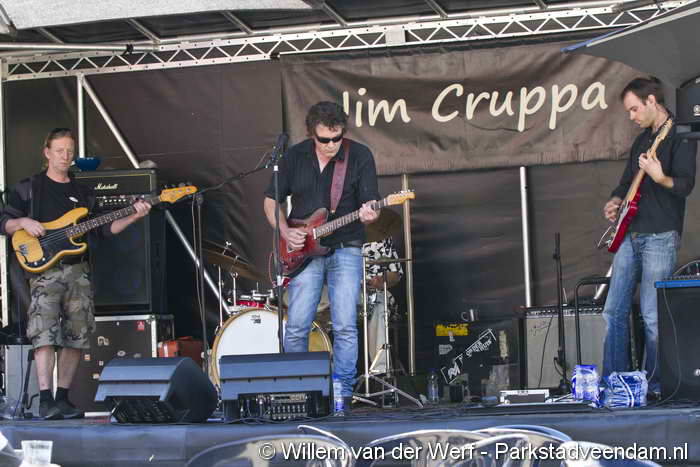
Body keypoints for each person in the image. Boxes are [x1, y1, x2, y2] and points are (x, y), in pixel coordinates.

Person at [0, 128, 152, 419]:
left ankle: (63, 398)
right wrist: (23, 222)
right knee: (44, 333)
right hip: (44, 270)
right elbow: (3, 221)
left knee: (77, 334)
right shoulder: (28, 188)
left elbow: (103, 230)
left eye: (69, 151)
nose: (65, 156)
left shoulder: (83, 192)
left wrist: (133, 215)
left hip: (78, 270)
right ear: (47, 152)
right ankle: (45, 399)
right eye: (59, 150)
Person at [263, 102, 379, 405]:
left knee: (345, 326)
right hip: (303, 250)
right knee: (297, 325)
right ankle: (298, 391)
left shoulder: (360, 156)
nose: (331, 145)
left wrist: (370, 212)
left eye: (336, 138)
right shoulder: (294, 156)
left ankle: (343, 392)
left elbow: (370, 203)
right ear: (311, 134)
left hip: (346, 246)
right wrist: (285, 231)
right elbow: (271, 201)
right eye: (324, 139)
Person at [602, 77, 696, 394]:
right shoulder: (642, 140)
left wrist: (660, 176)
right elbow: (625, 181)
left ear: (652, 101)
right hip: (631, 233)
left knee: (653, 316)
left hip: (660, 235)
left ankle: (655, 385)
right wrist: (615, 200)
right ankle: (613, 383)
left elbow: (684, 185)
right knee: (613, 311)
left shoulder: (681, 135)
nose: (632, 116)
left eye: (634, 109)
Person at [363, 236, 403, 374]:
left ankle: (380, 371)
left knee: (380, 306)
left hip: (372, 292)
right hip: (341, 293)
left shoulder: (381, 238)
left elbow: (395, 274)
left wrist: (379, 281)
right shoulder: (336, 236)